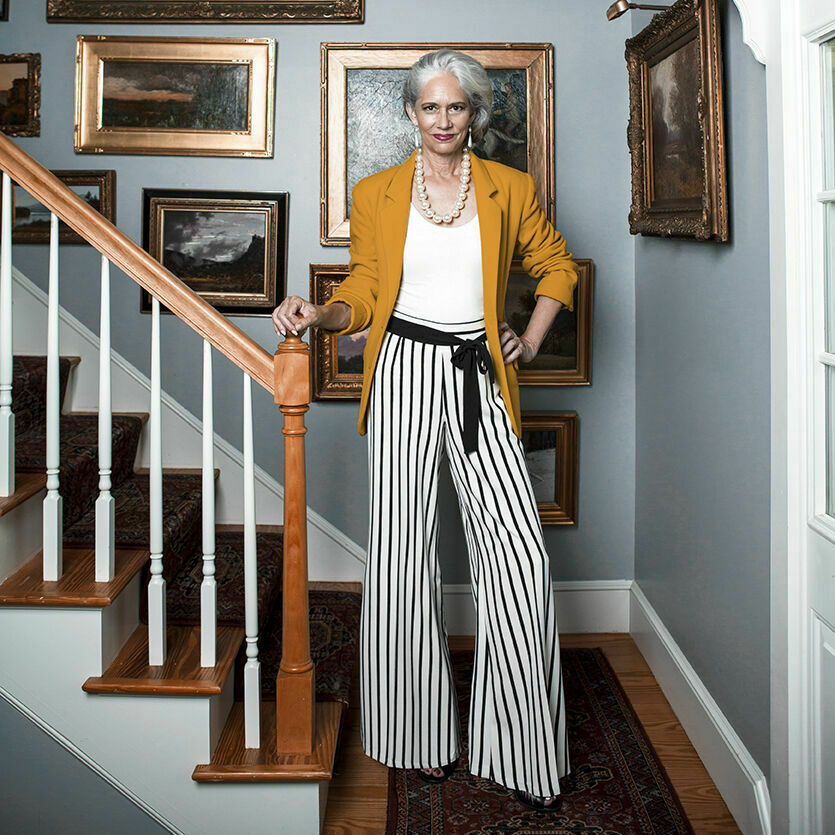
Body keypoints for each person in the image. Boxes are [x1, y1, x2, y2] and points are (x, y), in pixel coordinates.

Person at [272, 48, 577, 813]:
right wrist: (323, 315)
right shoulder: (376, 192)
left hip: (478, 372)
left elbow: (557, 269)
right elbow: (367, 290)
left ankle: (520, 749)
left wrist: (530, 341)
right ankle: (416, 737)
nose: (444, 120)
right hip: (404, 365)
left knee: (518, 559)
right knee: (403, 556)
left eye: (458, 107)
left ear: (475, 114)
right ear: (409, 113)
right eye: (430, 107)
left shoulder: (511, 187)